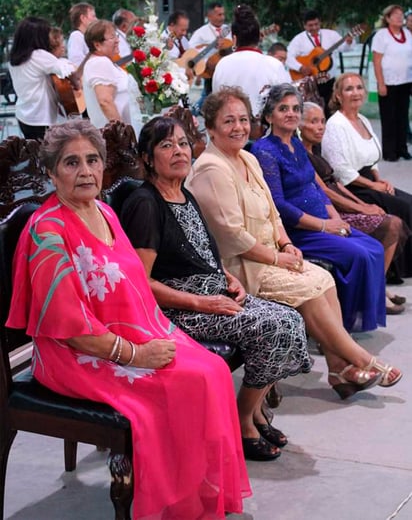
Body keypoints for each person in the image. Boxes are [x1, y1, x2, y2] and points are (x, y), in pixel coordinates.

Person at [6, 119, 251, 519]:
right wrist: (137, 354)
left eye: (92, 160)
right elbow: (70, 330)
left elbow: (135, 284)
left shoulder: (103, 210)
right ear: (51, 173)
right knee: (188, 382)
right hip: (77, 355)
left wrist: (151, 337)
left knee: (213, 371)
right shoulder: (47, 233)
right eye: (70, 163)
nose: (85, 171)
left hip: (132, 334)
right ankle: (177, 507)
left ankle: (199, 497)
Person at [186, 86, 402, 395]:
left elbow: (274, 213)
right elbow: (233, 236)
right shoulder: (211, 168)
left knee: (324, 278)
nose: (238, 128)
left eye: (243, 120)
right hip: (240, 265)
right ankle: (361, 358)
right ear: (210, 127)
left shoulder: (246, 158)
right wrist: (279, 257)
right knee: (308, 287)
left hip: (271, 252)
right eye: (228, 121)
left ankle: (338, 370)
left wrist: (286, 245)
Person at [121, 116, 312, 462]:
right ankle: (242, 421)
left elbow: (201, 252)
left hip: (213, 294)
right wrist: (201, 302)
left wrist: (227, 275)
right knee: (273, 328)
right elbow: (140, 282)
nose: (179, 151)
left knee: (291, 319)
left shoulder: (183, 193)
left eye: (182, 143)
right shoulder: (146, 204)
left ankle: (252, 412)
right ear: (148, 158)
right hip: (180, 310)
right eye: (166, 146)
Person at [251, 83, 390, 331]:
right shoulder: (265, 150)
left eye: (295, 108)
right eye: (283, 109)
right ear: (269, 115)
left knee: (374, 247)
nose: (292, 113)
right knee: (357, 255)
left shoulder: (296, 144)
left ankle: (356, 318)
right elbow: (278, 204)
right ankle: (339, 328)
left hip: (324, 223)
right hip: (299, 231)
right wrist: (325, 226)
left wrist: (336, 219)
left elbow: (316, 188)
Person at [299, 101, 408, 314]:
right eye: (314, 122)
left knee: (392, 217)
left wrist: (363, 205)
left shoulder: (316, 149)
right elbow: (326, 192)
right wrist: (360, 209)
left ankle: (379, 286)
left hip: (341, 199)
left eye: (322, 121)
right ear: (300, 126)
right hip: (330, 210)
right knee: (392, 224)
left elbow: (335, 183)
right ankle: (376, 293)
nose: (321, 126)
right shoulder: (301, 154)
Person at [322, 73, 412, 280]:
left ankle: (402, 266)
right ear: (337, 95)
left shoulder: (363, 119)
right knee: (403, 207)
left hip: (370, 180)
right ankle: (394, 271)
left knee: (408, 201)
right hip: (352, 187)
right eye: (349, 89)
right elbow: (341, 170)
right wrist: (373, 186)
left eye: (359, 88)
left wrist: (379, 179)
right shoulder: (336, 125)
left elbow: (373, 157)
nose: (356, 93)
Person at [212, 5, 289, 118]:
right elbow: (286, 102)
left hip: (230, 129)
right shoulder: (274, 64)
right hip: (266, 131)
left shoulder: (222, 65)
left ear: (234, 39)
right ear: (259, 37)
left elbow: (216, 103)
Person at [9, 16, 76, 139]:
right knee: (46, 156)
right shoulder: (38, 56)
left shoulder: (15, 58)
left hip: (24, 115)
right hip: (40, 117)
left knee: (33, 154)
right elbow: (66, 71)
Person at [286, 9, 354, 116]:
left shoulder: (331, 35)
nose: (314, 27)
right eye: (310, 25)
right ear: (305, 26)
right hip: (311, 83)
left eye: (316, 24)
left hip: (329, 79)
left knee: (331, 109)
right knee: (313, 111)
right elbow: (288, 57)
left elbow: (344, 49)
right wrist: (300, 67)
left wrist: (348, 43)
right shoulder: (298, 40)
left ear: (320, 23)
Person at [82, 19, 142, 134]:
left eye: (116, 36)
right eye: (112, 37)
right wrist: (122, 132)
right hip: (113, 137)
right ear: (97, 45)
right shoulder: (99, 63)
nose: (117, 40)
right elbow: (105, 101)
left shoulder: (107, 62)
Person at [371, 4, 412, 161]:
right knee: (389, 118)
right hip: (388, 82)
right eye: (395, 15)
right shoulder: (381, 36)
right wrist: (381, 83)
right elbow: (377, 61)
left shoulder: (407, 34)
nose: (399, 17)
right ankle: (390, 152)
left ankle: (402, 148)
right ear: (387, 18)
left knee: (403, 116)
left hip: (406, 81)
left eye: (401, 14)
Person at [189, 1, 232, 110]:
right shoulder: (200, 33)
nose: (222, 17)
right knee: (209, 100)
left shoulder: (228, 30)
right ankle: (193, 112)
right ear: (209, 16)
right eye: (219, 15)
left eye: (223, 14)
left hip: (227, 72)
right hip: (210, 72)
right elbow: (191, 53)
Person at [67, 2, 97, 67]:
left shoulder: (86, 37)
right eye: (93, 16)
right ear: (83, 18)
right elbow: (76, 63)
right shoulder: (76, 36)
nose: (96, 19)